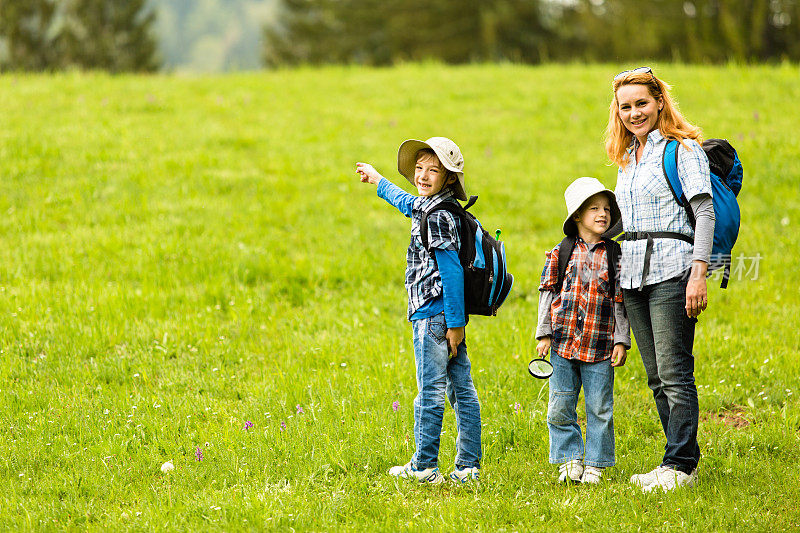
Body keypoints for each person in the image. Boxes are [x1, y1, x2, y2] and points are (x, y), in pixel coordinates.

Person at [606, 67, 715, 492]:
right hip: (632, 274)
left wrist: (698, 274)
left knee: (674, 372)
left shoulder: (682, 150)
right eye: (626, 106)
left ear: (659, 103)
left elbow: (703, 213)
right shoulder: (627, 158)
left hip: (674, 270)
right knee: (655, 376)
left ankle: (681, 466)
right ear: (617, 111)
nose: (634, 113)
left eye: (642, 104)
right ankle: (677, 460)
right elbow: (628, 222)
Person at [356, 137, 481, 485]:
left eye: (434, 170)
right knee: (462, 391)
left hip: (433, 315)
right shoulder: (432, 207)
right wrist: (378, 180)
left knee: (430, 392)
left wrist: (455, 324)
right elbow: (406, 201)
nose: (424, 175)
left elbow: (452, 273)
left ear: (449, 178)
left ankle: (425, 466)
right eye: (420, 168)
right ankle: (468, 468)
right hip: (446, 317)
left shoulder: (438, 216)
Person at [535, 177, 630, 485]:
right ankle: (570, 458)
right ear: (577, 214)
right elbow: (547, 293)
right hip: (564, 343)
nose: (602, 214)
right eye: (593, 208)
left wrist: (621, 339)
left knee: (599, 407)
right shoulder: (559, 253)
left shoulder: (615, 256)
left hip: (600, 346)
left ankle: (595, 464)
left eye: (606, 209)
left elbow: (620, 300)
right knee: (561, 403)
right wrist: (544, 333)